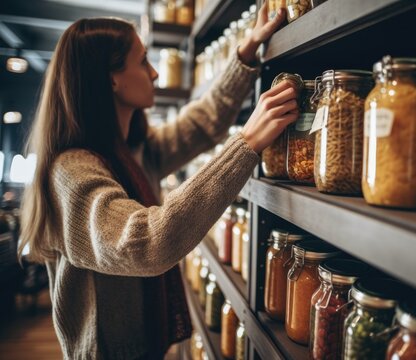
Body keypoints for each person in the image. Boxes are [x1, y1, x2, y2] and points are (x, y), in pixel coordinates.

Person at [18, 3, 297, 359]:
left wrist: (245, 51)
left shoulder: (131, 151)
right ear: (112, 78)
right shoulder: (70, 173)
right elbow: (146, 244)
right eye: (143, 61)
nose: (154, 74)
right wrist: (246, 144)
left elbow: (201, 123)